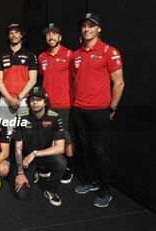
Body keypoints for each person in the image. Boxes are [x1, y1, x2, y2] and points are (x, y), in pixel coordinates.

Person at [70, 13, 125, 208]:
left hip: (100, 109)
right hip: (79, 109)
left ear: (98, 29)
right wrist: (76, 102)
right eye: (84, 25)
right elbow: (75, 81)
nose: (87, 29)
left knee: (100, 150)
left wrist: (112, 107)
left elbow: (119, 84)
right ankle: (91, 182)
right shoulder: (76, 54)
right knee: (85, 148)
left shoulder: (109, 51)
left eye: (91, 26)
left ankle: (105, 191)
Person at [12, 86, 66, 206]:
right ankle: (34, 171)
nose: (35, 102)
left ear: (45, 101)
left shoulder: (55, 117)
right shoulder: (21, 118)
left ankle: (50, 190)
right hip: (26, 159)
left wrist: (35, 153)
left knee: (61, 162)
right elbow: (18, 147)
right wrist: (20, 173)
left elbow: (60, 148)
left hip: (42, 155)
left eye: (39, 99)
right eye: (32, 99)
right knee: (22, 195)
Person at [37, 23, 74, 184]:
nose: (51, 37)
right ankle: (48, 165)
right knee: (46, 135)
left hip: (64, 103)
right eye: (48, 35)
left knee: (64, 136)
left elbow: (76, 78)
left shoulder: (70, 55)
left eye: (54, 34)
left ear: (60, 37)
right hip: (47, 105)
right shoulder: (42, 57)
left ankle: (67, 167)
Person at [0, 23, 38, 133]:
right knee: (6, 134)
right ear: (8, 36)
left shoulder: (30, 55)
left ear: (21, 35)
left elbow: (33, 80)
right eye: (11, 33)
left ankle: (21, 152)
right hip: (5, 100)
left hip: (24, 100)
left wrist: (18, 99)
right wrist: (10, 99)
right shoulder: (1, 55)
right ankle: (7, 152)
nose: (14, 35)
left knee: (25, 134)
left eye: (16, 32)